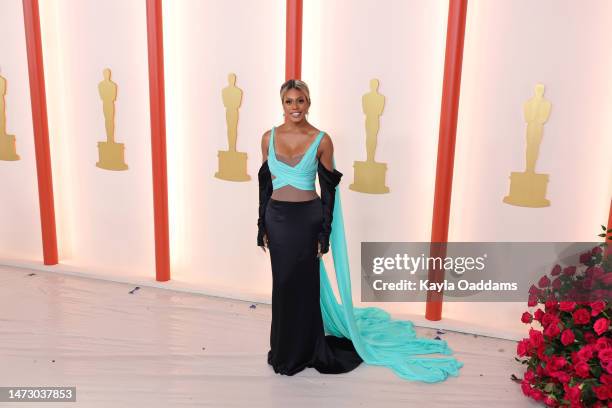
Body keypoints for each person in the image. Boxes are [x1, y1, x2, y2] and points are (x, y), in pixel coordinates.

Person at [257, 79, 463, 382]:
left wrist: (324, 233)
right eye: (289, 101)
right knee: (282, 284)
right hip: (277, 219)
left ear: (309, 103)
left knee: (304, 285)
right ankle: (284, 349)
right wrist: (261, 223)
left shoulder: (321, 140)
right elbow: (264, 184)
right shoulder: (267, 137)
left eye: (300, 101)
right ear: (282, 104)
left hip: (307, 220)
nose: (295, 107)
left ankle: (305, 349)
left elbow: (329, 192)